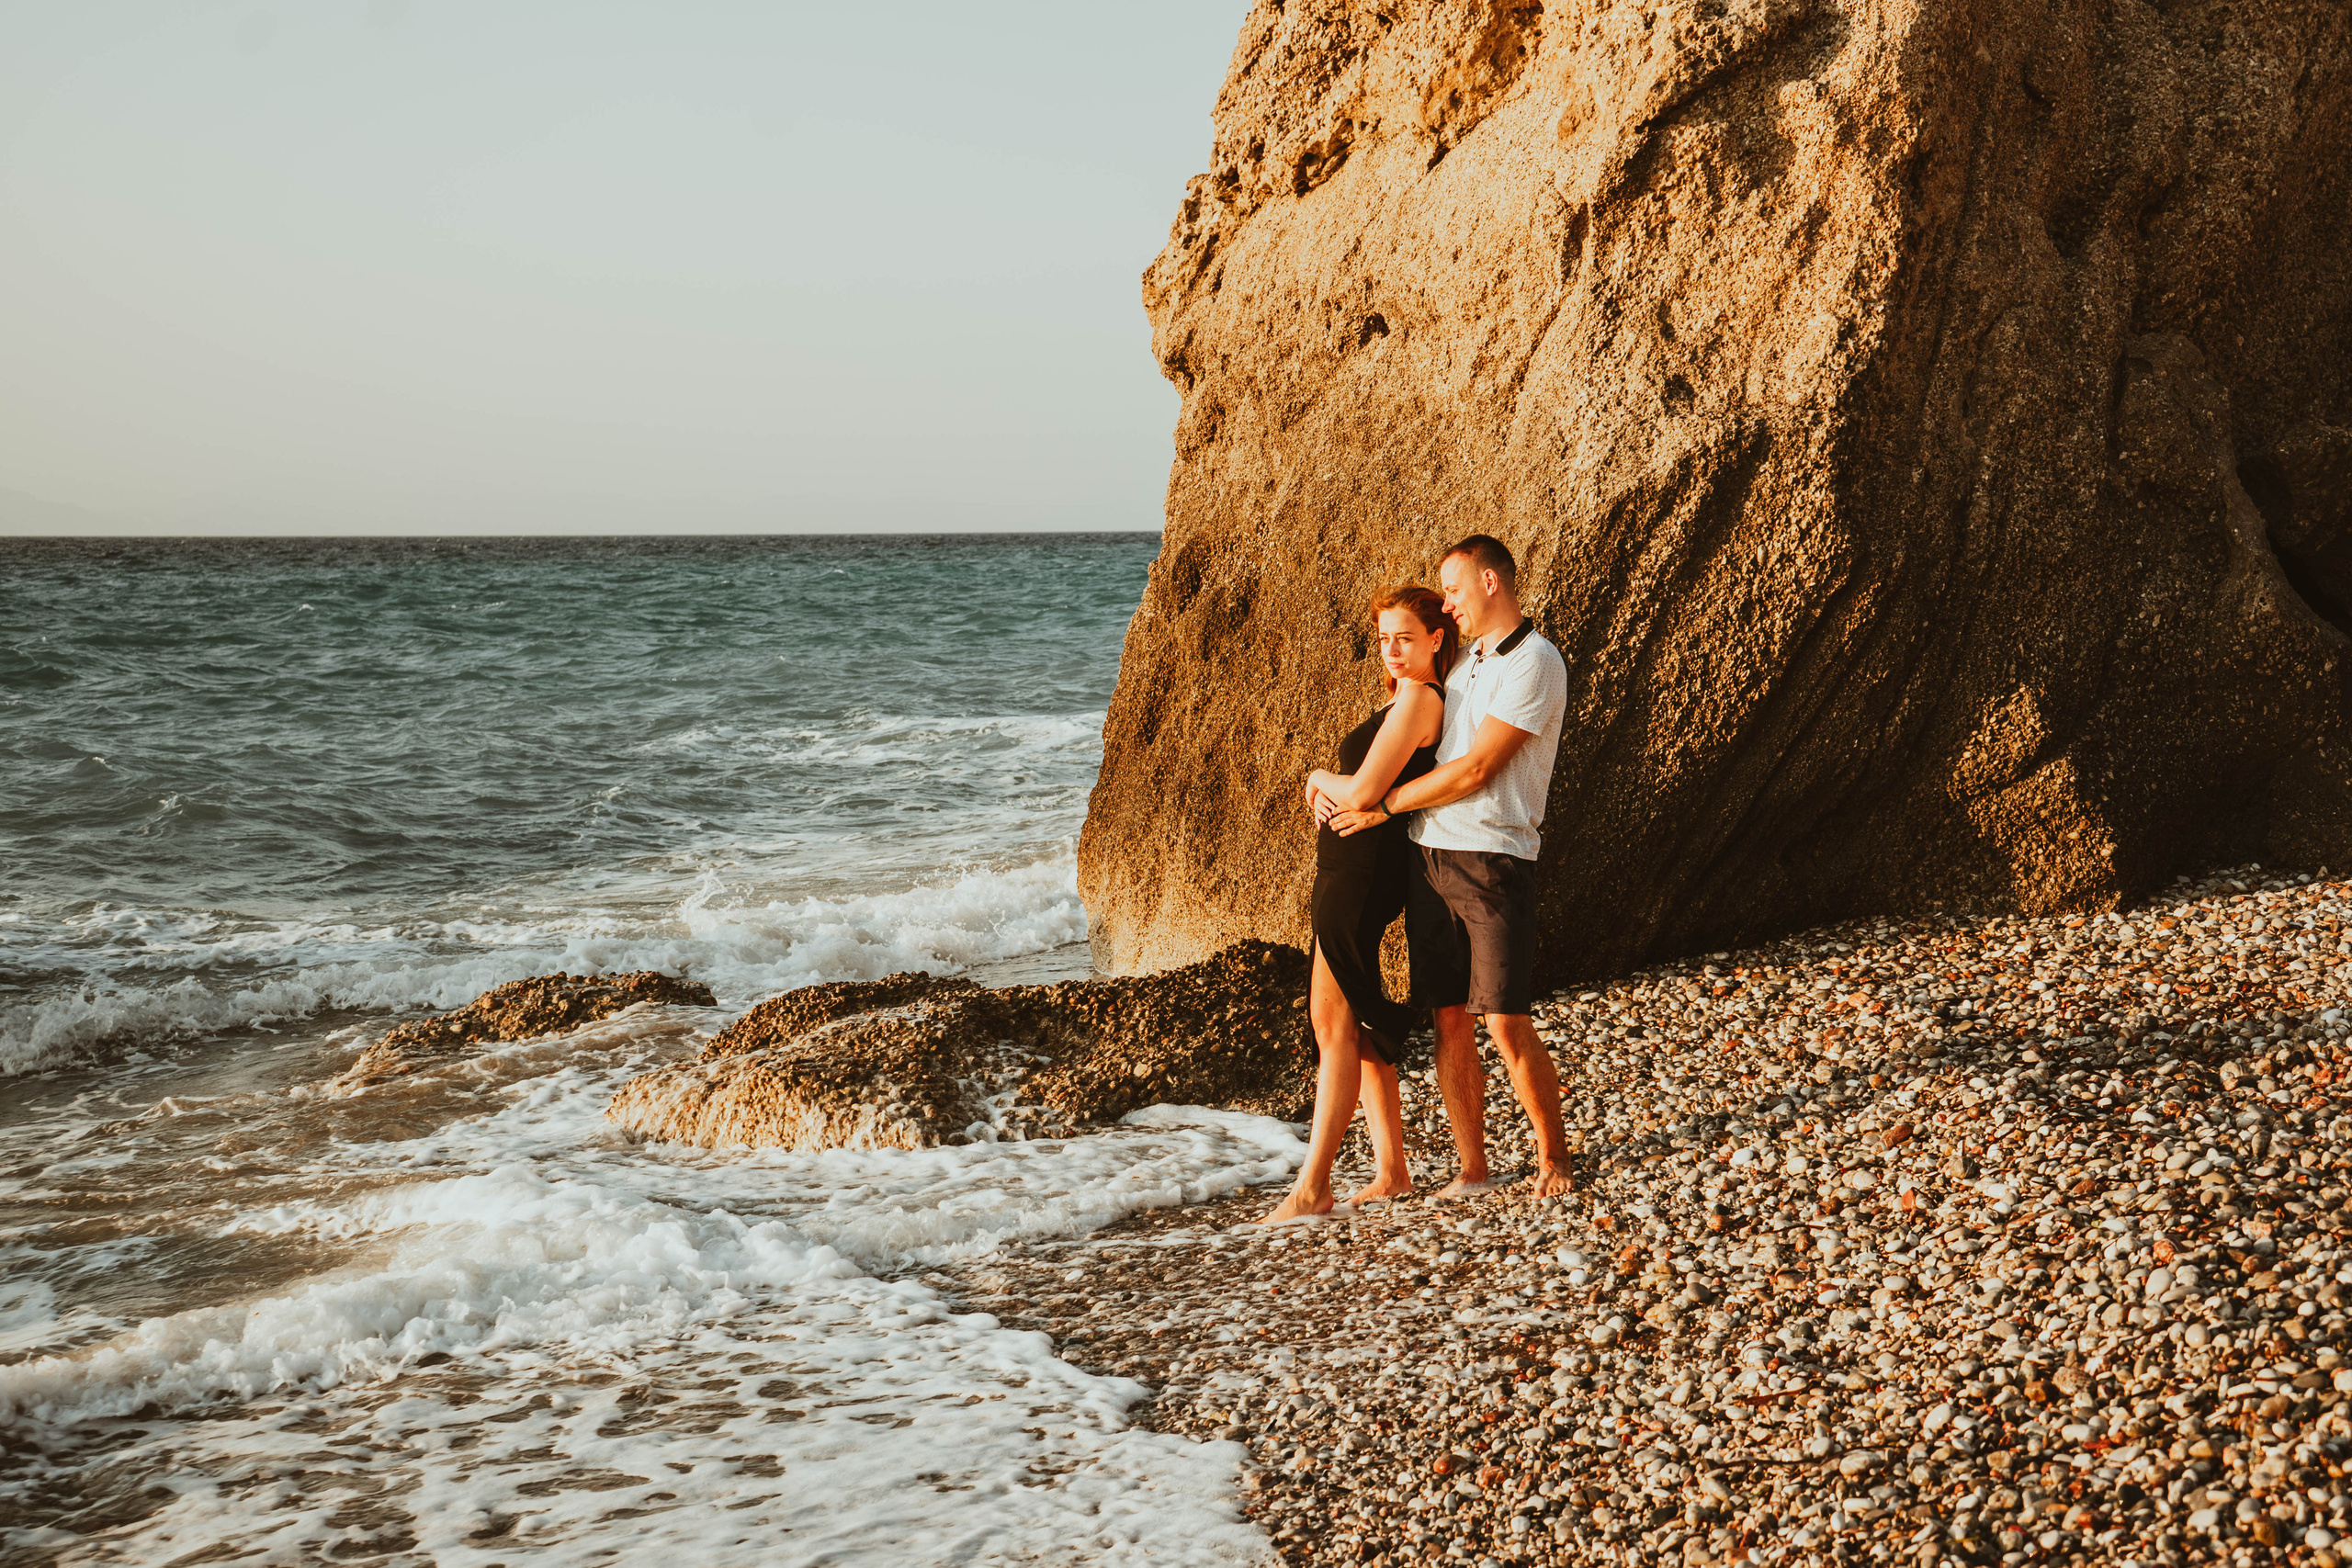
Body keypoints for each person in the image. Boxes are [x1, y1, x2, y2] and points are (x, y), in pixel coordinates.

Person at [1327, 536, 1573, 1199]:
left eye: (1456, 590)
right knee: (1449, 1016)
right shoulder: (1463, 665)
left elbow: (1477, 767)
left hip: (1495, 858)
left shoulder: (1537, 661)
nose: (1449, 602)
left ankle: (1554, 1155)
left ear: (1492, 581)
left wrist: (1383, 805)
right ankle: (1474, 1167)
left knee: (1504, 1019)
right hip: (1429, 856)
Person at [1258, 586, 1457, 1224]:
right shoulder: (1399, 698)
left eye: (1405, 636)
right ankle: (1391, 1168)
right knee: (1345, 1019)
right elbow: (1361, 792)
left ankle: (1313, 1185)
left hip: (1364, 877)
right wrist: (1329, 793)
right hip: (1346, 869)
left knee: (1333, 1021)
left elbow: (1367, 789)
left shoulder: (1421, 699)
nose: (1392, 650)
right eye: (1383, 638)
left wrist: (1317, 778)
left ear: (1436, 638)